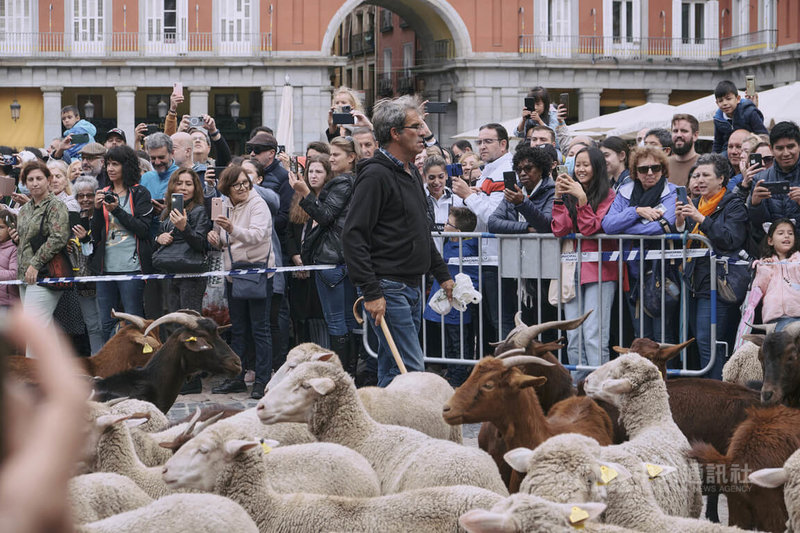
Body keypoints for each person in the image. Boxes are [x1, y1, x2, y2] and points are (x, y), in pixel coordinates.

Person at [342, 95, 454, 387]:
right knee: (413, 372)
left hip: (412, 285)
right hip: (388, 287)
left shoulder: (410, 173)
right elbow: (353, 236)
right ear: (395, 133)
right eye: (415, 126)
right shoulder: (375, 176)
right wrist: (371, 291)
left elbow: (420, 231)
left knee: (394, 370)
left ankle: (383, 430)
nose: (423, 131)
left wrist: (442, 275)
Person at [675, 153, 748, 380]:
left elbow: (730, 239)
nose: (699, 180)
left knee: (711, 343)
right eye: (696, 175)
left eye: (706, 175)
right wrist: (680, 222)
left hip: (719, 283)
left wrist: (701, 219)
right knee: (700, 341)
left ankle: (718, 393)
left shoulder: (733, 204)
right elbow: (685, 240)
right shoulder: (695, 203)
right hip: (695, 281)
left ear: (722, 179)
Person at [290, 139, 359, 374]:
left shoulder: (342, 182)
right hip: (343, 259)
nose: (331, 158)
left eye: (336, 155)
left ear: (351, 157)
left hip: (332, 261)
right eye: (331, 154)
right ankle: (348, 373)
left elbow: (326, 216)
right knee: (348, 321)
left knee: (338, 322)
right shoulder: (351, 180)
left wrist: (304, 193)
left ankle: (342, 374)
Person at [208, 165, 275, 399]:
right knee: (238, 329)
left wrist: (232, 228)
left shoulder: (258, 204)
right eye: (237, 185)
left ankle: (262, 380)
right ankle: (236, 377)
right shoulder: (223, 204)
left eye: (246, 182)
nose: (243, 188)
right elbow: (224, 241)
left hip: (257, 273)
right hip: (233, 274)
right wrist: (215, 238)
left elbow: (257, 235)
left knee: (260, 329)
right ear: (227, 189)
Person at [551, 147, 617, 380]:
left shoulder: (610, 196)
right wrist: (559, 198)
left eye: (586, 164)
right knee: (574, 334)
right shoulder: (569, 193)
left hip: (600, 271)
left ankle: (600, 388)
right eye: (577, 164)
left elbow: (590, 229)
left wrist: (581, 199)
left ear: (597, 167)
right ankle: (578, 387)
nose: (580, 169)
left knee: (594, 335)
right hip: (572, 271)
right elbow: (560, 229)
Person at [602, 146, 678, 343]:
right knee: (641, 336)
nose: (650, 173)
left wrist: (625, 227)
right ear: (635, 172)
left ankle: (665, 374)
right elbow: (608, 225)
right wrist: (636, 212)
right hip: (633, 274)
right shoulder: (625, 193)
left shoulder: (672, 193)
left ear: (664, 169)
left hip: (663, 274)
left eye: (656, 168)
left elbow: (661, 227)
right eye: (644, 169)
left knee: (663, 336)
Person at [90, 145, 153, 342]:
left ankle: (136, 365)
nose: (110, 168)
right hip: (106, 268)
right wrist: (97, 209)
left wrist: (117, 210)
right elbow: (97, 233)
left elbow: (143, 229)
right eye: (108, 164)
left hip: (132, 268)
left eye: (115, 164)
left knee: (134, 320)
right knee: (105, 323)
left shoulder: (140, 192)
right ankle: (110, 366)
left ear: (126, 166)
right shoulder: (104, 191)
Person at [12, 161, 69, 356]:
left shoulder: (56, 205)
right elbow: (26, 240)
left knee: (34, 331)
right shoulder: (26, 208)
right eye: (30, 179)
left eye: (39, 178)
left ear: (48, 180)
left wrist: (35, 264)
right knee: (44, 331)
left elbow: (58, 238)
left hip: (45, 274)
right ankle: (61, 376)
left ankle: (33, 381)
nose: (35, 183)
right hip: (25, 275)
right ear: (25, 183)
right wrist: (16, 238)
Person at [423, 207, 479, 387]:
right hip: (448, 307)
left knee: (458, 344)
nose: (444, 225)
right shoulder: (449, 244)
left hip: (458, 307)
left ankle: (458, 378)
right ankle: (452, 374)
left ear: (458, 231)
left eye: (448, 223)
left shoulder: (466, 250)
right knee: (449, 343)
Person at [286, 156, 328, 348]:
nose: (313, 176)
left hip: (321, 267)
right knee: (300, 315)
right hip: (299, 268)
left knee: (321, 316)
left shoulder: (330, 199)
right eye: (310, 171)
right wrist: (296, 258)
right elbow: (289, 232)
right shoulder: (297, 198)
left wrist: (308, 260)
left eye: (318, 171)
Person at [749, 121, 800, 240]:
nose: (786, 153)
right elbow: (758, 226)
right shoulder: (759, 179)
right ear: (771, 149)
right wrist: (755, 204)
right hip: (773, 252)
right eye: (780, 148)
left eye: (791, 146)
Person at [70, 175, 104, 355]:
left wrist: (85, 239)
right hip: (82, 281)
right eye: (80, 196)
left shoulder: (103, 217)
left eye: (89, 195)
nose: (85, 199)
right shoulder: (71, 220)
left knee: (105, 323)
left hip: (102, 277)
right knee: (91, 324)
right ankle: (96, 358)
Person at [751, 218, 800, 332]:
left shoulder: (798, 259)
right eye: (781, 233)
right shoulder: (765, 263)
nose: (786, 236)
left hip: (797, 315)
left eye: (790, 233)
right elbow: (758, 290)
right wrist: (765, 269)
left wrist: (794, 266)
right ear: (770, 241)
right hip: (773, 319)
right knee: (778, 349)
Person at [712, 80, 767, 154]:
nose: (725, 103)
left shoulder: (749, 112)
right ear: (717, 103)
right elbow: (718, 143)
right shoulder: (718, 119)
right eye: (720, 101)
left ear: (737, 99)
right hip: (729, 153)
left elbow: (762, 134)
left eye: (728, 99)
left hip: (751, 149)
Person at [424, 155, 463, 230]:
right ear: (425, 176)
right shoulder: (418, 197)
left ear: (446, 175)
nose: (436, 182)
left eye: (441, 177)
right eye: (432, 177)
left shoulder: (457, 200)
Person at [668, 114, 700, 186]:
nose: (679, 135)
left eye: (684, 131)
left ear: (695, 135)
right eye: (675, 131)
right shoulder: (662, 165)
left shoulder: (705, 164)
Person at [0, 211, 19, 308]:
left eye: (1, 227)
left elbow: (14, 274)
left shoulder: (14, 248)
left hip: (8, 304)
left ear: (10, 228)